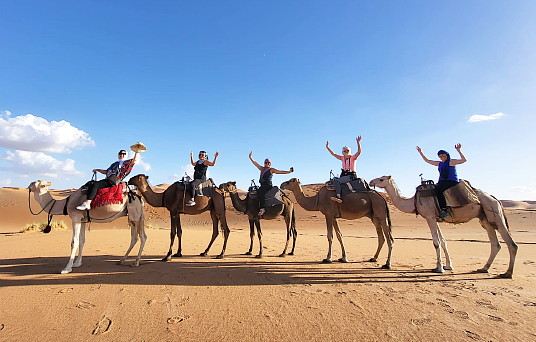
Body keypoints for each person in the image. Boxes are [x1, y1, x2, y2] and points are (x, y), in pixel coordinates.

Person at [416, 143, 467, 219]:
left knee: (439, 191)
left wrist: (459, 150)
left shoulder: (451, 162)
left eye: (443, 155)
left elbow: (464, 160)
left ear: (447, 155)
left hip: (451, 181)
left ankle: (444, 210)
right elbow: (427, 161)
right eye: (440, 156)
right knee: (432, 189)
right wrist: (420, 152)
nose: (442, 157)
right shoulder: (440, 164)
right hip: (442, 181)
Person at [249, 151, 294, 216]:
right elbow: (255, 163)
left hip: (268, 186)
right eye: (266, 162)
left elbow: (280, 172)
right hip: (262, 186)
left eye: (268, 163)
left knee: (261, 193)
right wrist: (250, 157)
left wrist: (289, 172)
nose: (267, 163)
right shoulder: (261, 168)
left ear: (270, 164)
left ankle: (262, 208)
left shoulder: (271, 170)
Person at [326, 136, 362, 203]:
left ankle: (338, 196)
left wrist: (358, 142)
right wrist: (328, 147)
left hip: (350, 176)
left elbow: (359, 152)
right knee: (334, 180)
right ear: (343, 152)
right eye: (344, 151)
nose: (346, 152)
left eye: (347, 150)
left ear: (349, 151)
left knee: (337, 182)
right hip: (343, 175)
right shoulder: (342, 158)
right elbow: (333, 154)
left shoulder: (353, 157)